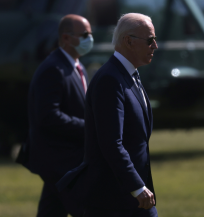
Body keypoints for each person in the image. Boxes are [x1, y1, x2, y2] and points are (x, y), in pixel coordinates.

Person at [56, 13, 158, 216]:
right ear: (128, 41)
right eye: (150, 40)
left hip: (131, 197)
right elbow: (111, 143)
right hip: (114, 199)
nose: (155, 46)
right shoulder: (110, 80)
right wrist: (137, 187)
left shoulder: (130, 76)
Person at [26, 14, 93, 217]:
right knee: (89, 210)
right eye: (84, 34)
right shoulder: (53, 69)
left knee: (51, 210)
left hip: (66, 162)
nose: (89, 38)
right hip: (61, 162)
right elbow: (48, 116)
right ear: (65, 38)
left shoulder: (77, 66)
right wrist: (89, 127)